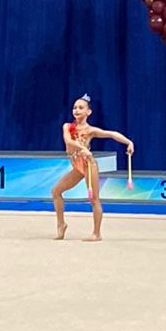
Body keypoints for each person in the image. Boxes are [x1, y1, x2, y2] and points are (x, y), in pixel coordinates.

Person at [52, 93, 134, 241]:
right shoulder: (67, 127)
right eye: (75, 107)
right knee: (56, 191)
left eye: (81, 108)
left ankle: (96, 233)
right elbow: (68, 141)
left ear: (88, 112)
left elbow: (111, 134)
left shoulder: (90, 130)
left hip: (89, 165)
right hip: (77, 167)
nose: (77, 110)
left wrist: (129, 142)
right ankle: (61, 224)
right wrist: (83, 148)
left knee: (94, 199)